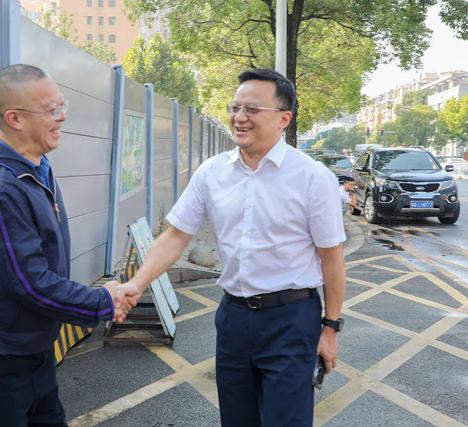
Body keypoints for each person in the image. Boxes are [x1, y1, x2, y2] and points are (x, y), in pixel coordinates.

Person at [113, 69, 346, 426]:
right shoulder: (212, 172)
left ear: (284, 118)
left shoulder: (312, 177)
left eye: (252, 109)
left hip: (291, 320)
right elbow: (176, 235)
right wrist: (136, 284)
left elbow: (332, 258)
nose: (239, 117)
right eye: (234, 107)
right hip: (234, 318)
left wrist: (329, 329)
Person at [0, 64, 135, 427]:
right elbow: (29, 282)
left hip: (29, 348)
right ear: (14, 118)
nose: (61, 118)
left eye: (62, 106)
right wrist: (102, 301)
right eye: (50, 110)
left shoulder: (36, 166)